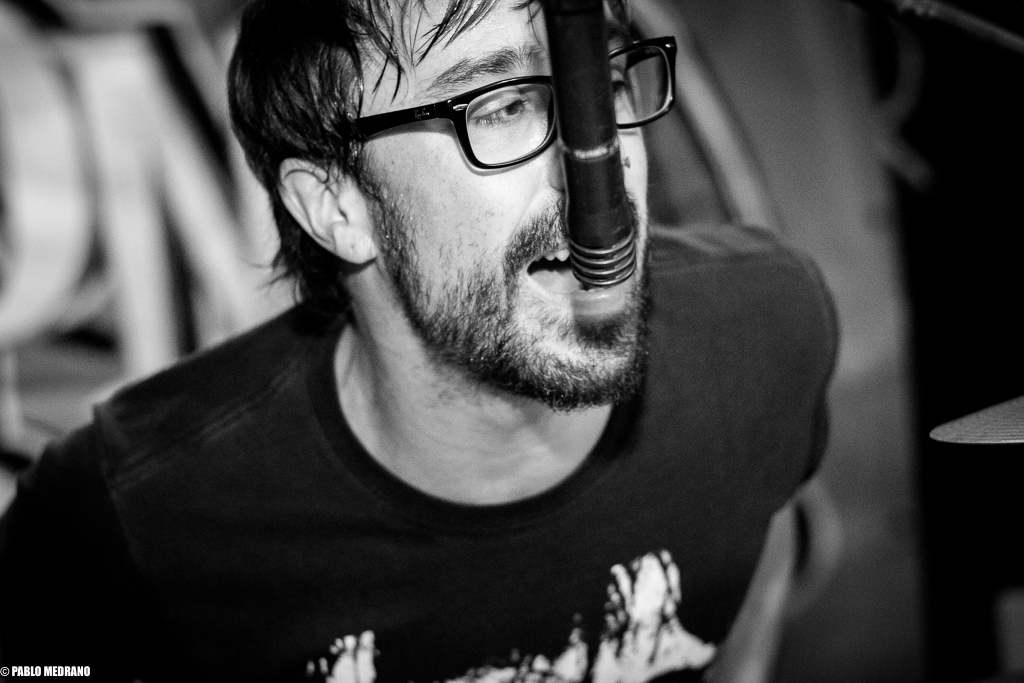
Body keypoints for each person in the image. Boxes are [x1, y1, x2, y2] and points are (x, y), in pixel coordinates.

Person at [0, 0, 837, 680]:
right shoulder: (124, 518)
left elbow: (760, 544)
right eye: (500, 106)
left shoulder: (767, 325)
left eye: (606, 83)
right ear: (336, 205)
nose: (599, 166)